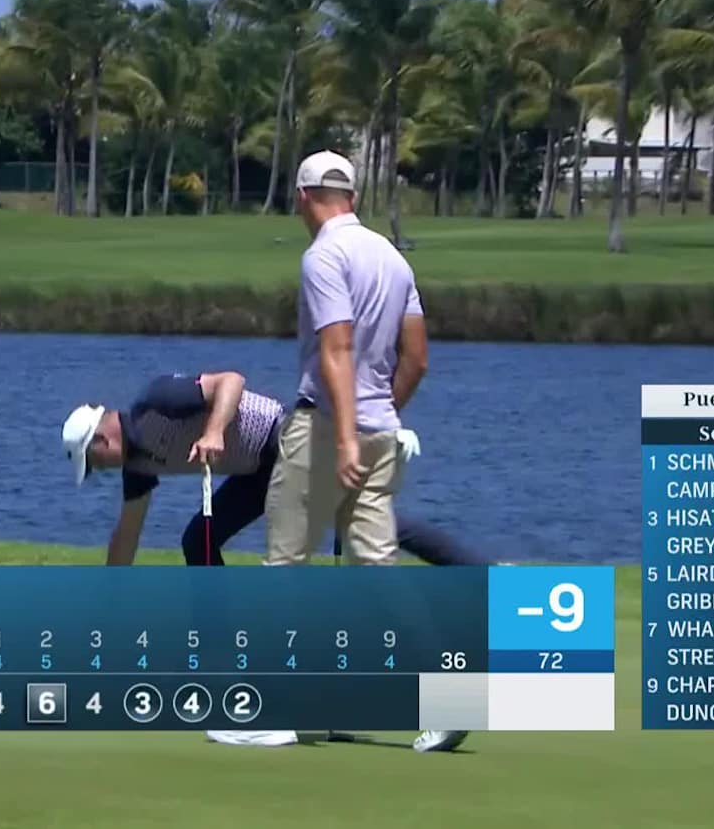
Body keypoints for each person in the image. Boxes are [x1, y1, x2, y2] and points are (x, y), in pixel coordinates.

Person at [259, 150, 468, 753]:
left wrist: (346, 433)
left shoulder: (324, 254)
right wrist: (380, 419)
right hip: (382, 431)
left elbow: (337, 349)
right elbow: (418, 357)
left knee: (285, 566)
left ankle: (274, 712)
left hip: (329, 429)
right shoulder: (393, 257)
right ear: (351, 194)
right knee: (377, 573)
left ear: (303, 197)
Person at [59, 371, 489, 568]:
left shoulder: (155, 402)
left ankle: (482, 575)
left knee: (360, 523)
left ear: (100, 440)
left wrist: (213, 432)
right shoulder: (136, 464)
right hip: (254, 472)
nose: (100, 470)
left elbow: (231, 381)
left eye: (94, 463)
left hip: (283, 442)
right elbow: (127, 534)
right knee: (199, 540)